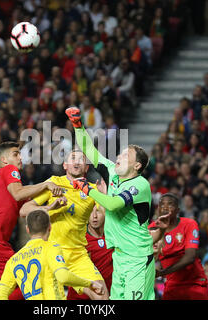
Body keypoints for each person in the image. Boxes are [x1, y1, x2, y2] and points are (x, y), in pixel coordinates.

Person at [66, 106, 159, 300]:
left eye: (126, 156)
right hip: (119, 256)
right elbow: (89, 150)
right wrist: (78, 125)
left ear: (137, 166)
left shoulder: (140, 185)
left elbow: (114, 204)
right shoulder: (112, 172)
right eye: (120, 153)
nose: (118, 157)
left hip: (138, 258)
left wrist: (88, 189)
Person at [0, 142, 63, 299]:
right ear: (4, 159)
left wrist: (49, 208)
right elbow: (19, 194)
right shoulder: (9, 170)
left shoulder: (5, 181)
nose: (21, 157)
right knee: (28, 284)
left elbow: (24, 211)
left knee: (12, 289)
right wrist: (46, 184)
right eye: (16, 154)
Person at [19, 150, 108, 300]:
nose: (77, 162)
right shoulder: (54, 183)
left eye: (81, 159)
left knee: (102, 294)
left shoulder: (93, 189)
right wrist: (49, 208)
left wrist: (104, 196)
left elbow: (106, 218)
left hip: (77, 255)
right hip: (52, 251)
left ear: (86, 168)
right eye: (73, 158)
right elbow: (24, 210)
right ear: (65, 165)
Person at [0, 210, 105, 300]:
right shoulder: (51, 247)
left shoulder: (13, 260)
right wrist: (89, 283)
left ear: (27, 229)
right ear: (50, 228)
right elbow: (63, 276)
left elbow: (0, 295)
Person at [149, 193, 208, 300]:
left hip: (194, 284)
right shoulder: (152, 229)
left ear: (177, 210)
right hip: (172, 286)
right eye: (161, 205)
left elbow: (190, 257)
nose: (165, 208)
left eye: (170, 205)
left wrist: (162, 272)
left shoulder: (189, 224)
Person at [67, 204, 114, 300]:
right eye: (90, 212)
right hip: (79, 297)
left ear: (105, 213)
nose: (94, 216)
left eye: (98, 211)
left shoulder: (113, 236)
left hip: (105, 295)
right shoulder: (79, 239)